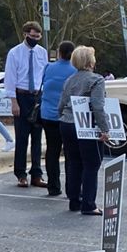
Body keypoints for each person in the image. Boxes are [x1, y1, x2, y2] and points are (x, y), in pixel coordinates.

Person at [56, 46, 111, 215]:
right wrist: (105, 129)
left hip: (66, 123)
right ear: (90, 61)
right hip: (86, 124)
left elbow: (61, 103)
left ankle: (75, 200)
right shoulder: (97, 80)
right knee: (92, 164)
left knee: (74, 162)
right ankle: (88, 204)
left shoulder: (70, 80)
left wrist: (63, 117)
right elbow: (98, 106)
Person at [4, 21, 49, 188]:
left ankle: (36, 174)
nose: (35, 39)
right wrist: (13, 101)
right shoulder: (15, 53)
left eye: (38, 36)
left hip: (37, 96)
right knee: (22, 138)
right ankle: (20, 173)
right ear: (25, 35)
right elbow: (10, 78)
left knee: (37, 138)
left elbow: (44, 75)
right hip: (21, 95)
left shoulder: (42, 53)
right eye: (32, 36)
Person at [39, 40, 77, 198]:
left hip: (48, 114)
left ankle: (53, 186)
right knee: (70, 154)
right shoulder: (75, 71)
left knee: (52, 151)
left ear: (59, 53)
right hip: (68, 116)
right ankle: (71, 188)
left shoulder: (48, 67)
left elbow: (42, 85)